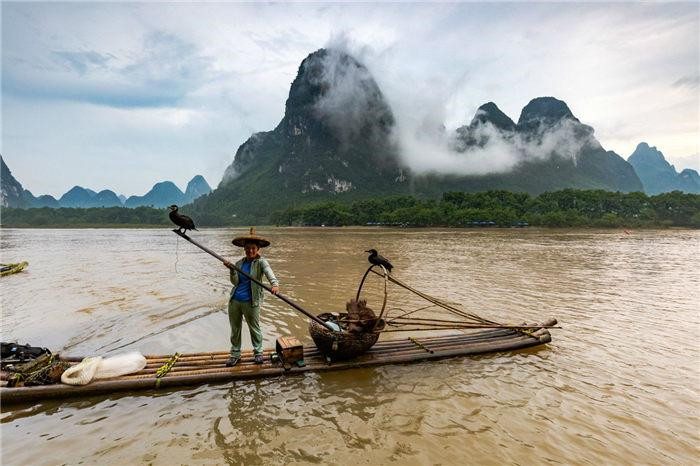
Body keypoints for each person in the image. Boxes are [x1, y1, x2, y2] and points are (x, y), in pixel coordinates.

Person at [223, 227, 279, 367]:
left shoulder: (261, 263)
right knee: (235, 329)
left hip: (251, 301)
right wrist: (232, 271)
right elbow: (235, 282)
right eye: (247, 248)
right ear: (244, 249)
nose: (250, 251)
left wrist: (275, 284)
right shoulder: (239, 264)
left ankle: (258, 352)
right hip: (235, 301)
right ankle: (235, 354)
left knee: (254, 328)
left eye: (253, 248)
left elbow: (269, 273)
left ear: (258, 249)